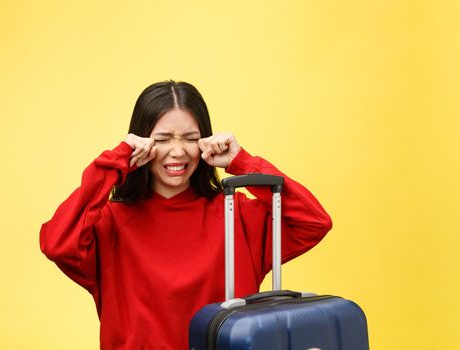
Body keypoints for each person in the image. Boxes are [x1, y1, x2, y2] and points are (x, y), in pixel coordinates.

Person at [40, 80, 332, 350]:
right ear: (143, 143)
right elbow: (57, 243)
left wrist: (243, 162)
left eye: (190, 138)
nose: (177, 151)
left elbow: (313, 222)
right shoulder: (109, 223)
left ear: (204, 142)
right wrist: (114, 165)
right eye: (163, 139)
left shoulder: (236, 215)